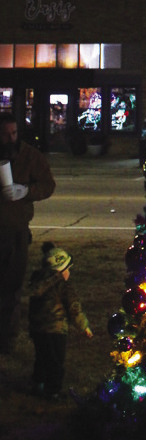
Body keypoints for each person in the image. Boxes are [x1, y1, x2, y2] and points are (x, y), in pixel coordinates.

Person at [0, 110, 56, 353]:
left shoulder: (29, 156)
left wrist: (26, 191)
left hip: (15, 234)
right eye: (4, 134)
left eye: (13, 133)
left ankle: (7, 339)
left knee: (12, 289)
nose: (10, 138)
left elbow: (48, 184)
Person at [28, 241, 92, 398]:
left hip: (37, 329)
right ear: (62, 270)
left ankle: (39, 383)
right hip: (56, 330)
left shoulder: (37, 280)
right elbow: (74, 308)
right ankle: (53, 391)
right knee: (56, 361)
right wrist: (84, 327)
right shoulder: (64, 286)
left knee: (41, 357)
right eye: (68, 269)